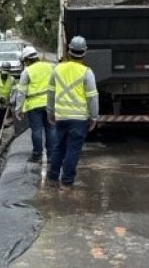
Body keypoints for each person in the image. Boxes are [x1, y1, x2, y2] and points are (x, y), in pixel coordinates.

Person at [46, 35, 99, 187]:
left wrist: (50, 112)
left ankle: (52, 177)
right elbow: (92, 97)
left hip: (61, 117)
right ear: (84, 52)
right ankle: (67, 181)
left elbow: (50, 93)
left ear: (69, 51)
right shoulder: (87, 72)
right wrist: (94, 117)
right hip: (79, 119)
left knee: (59, 147)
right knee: (73, 150)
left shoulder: (57, 69)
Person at [13, 45, 56, 163]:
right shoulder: (50, 66)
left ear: (27, 60)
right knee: (51, 129)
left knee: (37, 130)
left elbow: (21, 92)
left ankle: (37, 155)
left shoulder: (27, 71)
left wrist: (18, 109)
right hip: (50, 104)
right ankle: (51, 156)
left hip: (34, 106)